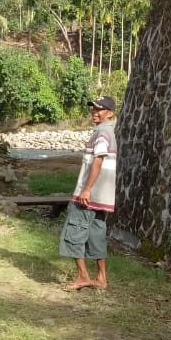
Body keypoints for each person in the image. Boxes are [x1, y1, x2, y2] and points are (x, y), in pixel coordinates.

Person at [59, 95, 118, 291]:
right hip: (102, 197)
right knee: (96, 234)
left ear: (109, 113)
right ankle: (101, 278)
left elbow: (98, 161)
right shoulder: (109, 133)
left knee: (74, 230)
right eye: (93, 108)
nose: (94, 112)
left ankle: (83, 276)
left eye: (99, 109)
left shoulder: (101, 133)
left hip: (89, 195)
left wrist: (86, 189)